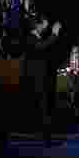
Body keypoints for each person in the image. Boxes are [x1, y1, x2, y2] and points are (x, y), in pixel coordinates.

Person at [25, 14, 63, 147]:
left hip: (40, 77)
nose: (45, 28)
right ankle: (46, 139)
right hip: (34, 78)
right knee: (41, 106)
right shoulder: (31, 38)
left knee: (43, 106)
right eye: (44, 25)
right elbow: (42, 46)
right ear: (37, 25)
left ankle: (45, 137)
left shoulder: (36, 37)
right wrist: (54, 34)